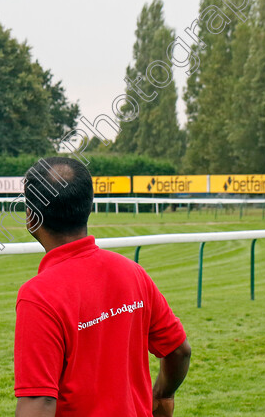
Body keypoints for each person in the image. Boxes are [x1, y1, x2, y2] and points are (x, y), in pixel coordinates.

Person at [14, 157, 191, 417]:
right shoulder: (133, 273)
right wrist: (162, 394)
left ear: (31, 218)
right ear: (88, 208)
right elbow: (179, 350)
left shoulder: (38, 296)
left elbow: (38, 405)